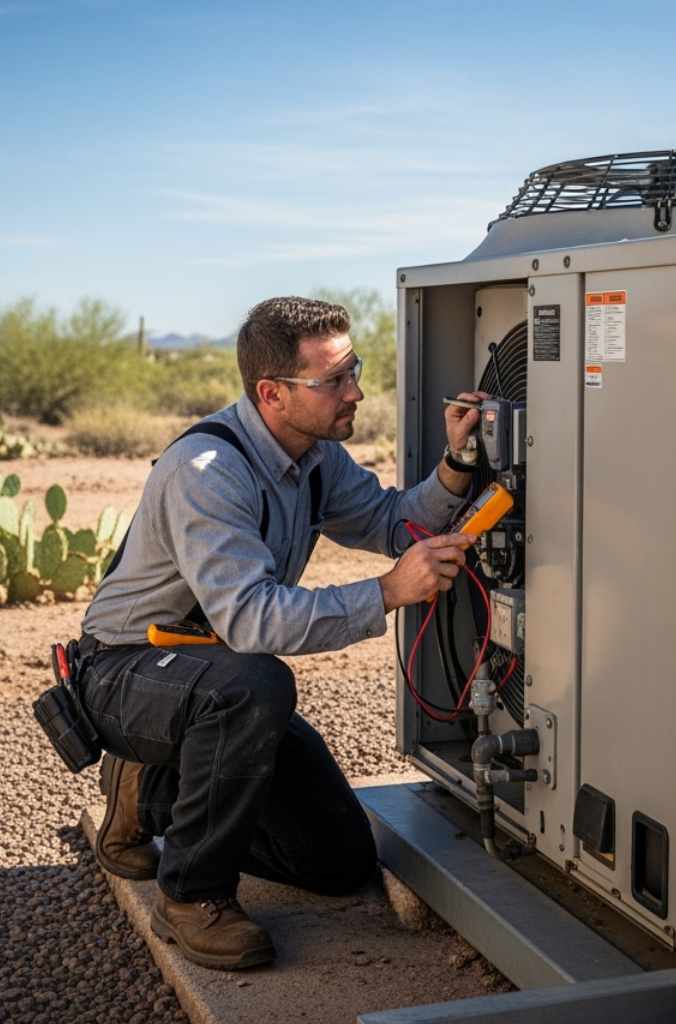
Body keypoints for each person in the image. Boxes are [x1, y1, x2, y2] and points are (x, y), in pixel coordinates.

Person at [78, 296, 485, 970]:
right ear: (272, 393)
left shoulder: (316, 455)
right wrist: (389, 591)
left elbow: (394, 522)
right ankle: (191, 896)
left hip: (216, 676)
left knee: (338, 861)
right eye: (334, 381)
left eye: (353, 371)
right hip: (127, 669)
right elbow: (252, 620)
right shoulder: (207, 473)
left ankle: (148, 792)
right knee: (258, 684)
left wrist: (458, 463)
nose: (355, 393)